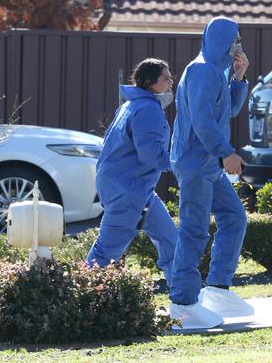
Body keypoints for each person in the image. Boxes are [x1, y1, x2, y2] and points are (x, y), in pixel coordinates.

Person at [169, 16, 253, 329]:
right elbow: (203, 123)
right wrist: (227, 153)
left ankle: (217, 288)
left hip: (207, 164)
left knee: (233, 217)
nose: (238, 47)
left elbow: (227, 110)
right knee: (194, 230)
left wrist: (239, 79)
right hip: (196, 162)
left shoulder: (215, 71)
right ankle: (182, 302)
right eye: (235, 41)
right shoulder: (201, 71)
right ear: (224, 41)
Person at [87, 58, 177, 287]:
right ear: (150, 82)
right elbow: (150, 154)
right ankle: (84, 300)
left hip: (133, 188)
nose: (171, 82)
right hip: (129, 190)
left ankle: (185, 293)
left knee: (171, 240)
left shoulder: (130, 105)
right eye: (165, 78)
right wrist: (179, 163)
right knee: (106, 254)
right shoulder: (148, 109)